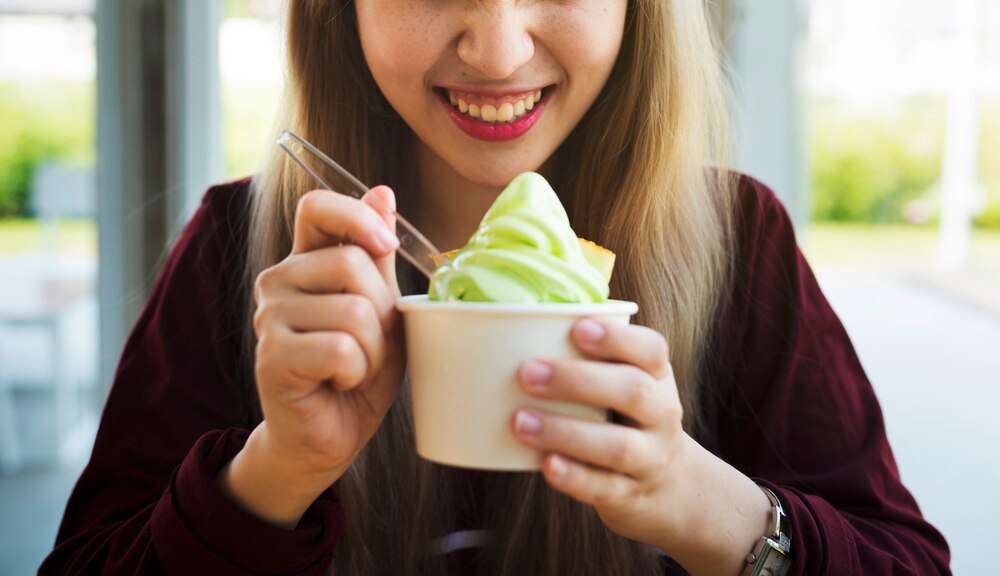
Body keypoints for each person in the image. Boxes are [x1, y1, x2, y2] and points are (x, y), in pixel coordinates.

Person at [42, 0, 950, 574]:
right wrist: (278, 470)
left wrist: (699, 502)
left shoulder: (739, 243)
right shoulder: (237, 258)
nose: (499, 46)